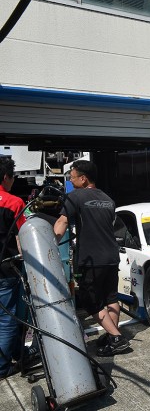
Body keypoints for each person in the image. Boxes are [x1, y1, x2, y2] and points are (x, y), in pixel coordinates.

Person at [53, 160, 129, 357]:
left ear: (83, 179)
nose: (70, 180)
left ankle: (116, 338)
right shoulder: (108, 199)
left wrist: (50, 245)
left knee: (90, 300)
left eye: (72, 177)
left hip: (91, 258)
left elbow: (62, 221)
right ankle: (112, 335)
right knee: (111, 297)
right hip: (111, 256)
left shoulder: (75, 197)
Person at [0, 157, 26, 379]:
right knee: (8, 318)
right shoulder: (13, 202)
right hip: (6, 270)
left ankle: (17, 352)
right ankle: (2, 367)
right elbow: (24, 237)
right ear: (5, 177)